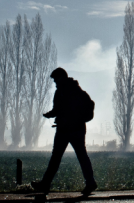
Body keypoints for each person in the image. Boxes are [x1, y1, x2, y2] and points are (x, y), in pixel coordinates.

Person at [31, 67, 98, 195]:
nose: (55, 83)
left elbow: (60, 109)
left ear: (61, 78)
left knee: (58, 157)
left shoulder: (70, 91)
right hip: (71, 129)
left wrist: (53, 115)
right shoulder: (72, 90)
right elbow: (58, 109)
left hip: (70, 130)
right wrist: (51, 114)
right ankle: (90, 183)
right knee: (79, 156)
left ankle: (46, 184)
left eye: (56, 80)